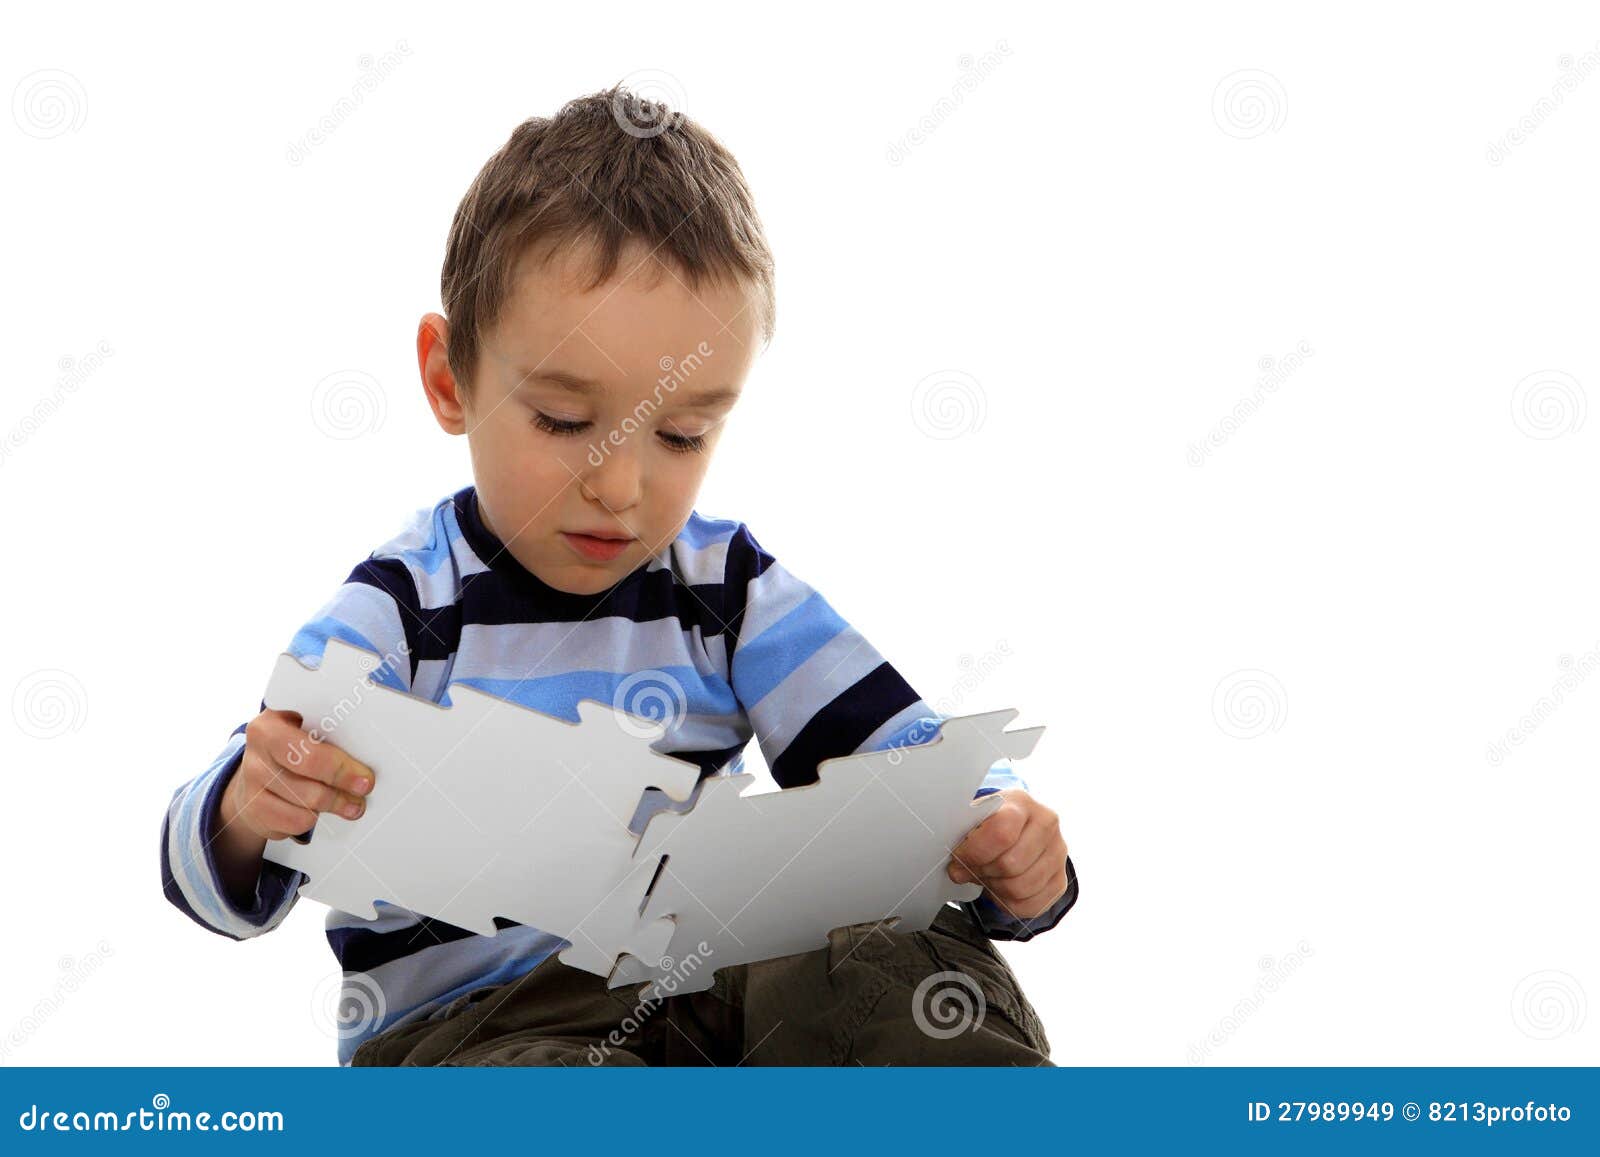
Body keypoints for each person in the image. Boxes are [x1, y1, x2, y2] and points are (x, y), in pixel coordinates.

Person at [159, 86, 1078, 1066]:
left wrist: (1002, 830)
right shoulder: (403, 608)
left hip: (710, 989)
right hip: (481, 1029)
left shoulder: (724, 589)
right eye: (563, 421)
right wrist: (249, 805)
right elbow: (213, 865)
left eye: (681, 434)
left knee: (897, 961)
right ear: (449, 378)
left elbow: (916, 767)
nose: (621, 486)